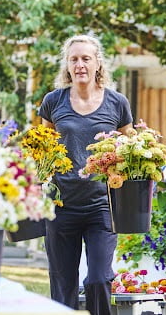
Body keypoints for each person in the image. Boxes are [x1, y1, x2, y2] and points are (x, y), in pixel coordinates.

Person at [38, 34, 133, 315]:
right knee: (62, 284)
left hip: (101, 206)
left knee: (98, 279)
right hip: (61, 205)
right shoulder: (53, 101)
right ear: (67, 65)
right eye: (74, 59)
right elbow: (43, 147)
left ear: (97, 64)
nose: (80, 64)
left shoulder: (116, 103)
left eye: (86, 58)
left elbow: (132, 148)